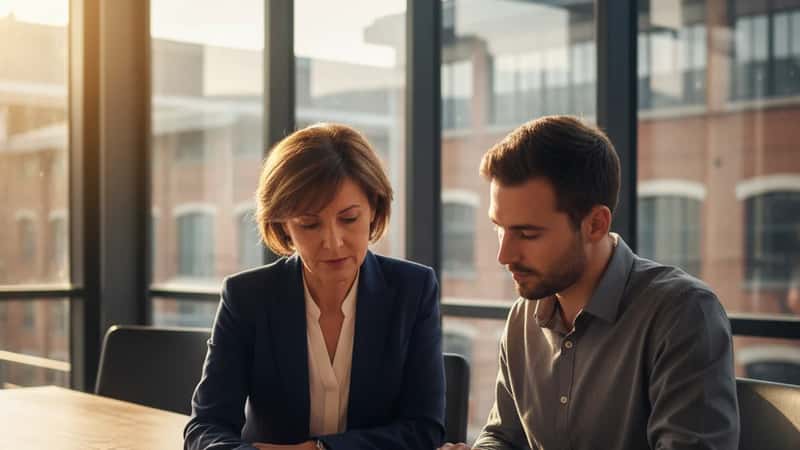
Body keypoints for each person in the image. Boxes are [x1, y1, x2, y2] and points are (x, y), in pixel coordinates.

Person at [439, 116, 739, 450]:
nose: (504, 254)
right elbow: (503, 435)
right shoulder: (523, 319)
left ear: (595, 224)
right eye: (499, 228)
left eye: (526, 233)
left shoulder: (682, 314)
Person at [185, 123, 445, 450]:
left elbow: (424, 429)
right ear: (284, 225)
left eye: (349, 219)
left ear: (374, 209)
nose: (333, 242)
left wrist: (319, 449)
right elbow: (206, 426)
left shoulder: (414, 290)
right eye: (309, 224)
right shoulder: (247, 297)